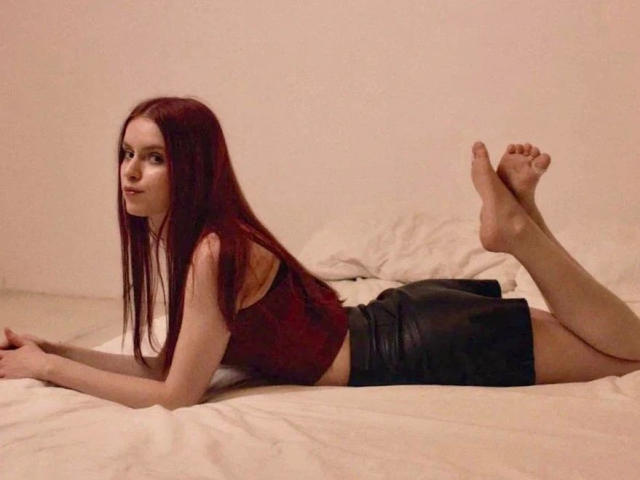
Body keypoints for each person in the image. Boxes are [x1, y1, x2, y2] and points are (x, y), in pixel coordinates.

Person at [1, 97, 640, 410]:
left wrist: (47, 370)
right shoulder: (204, 242)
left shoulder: (215, 252)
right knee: (611, 339)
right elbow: (170, 368)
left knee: (632, 349)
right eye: (126, 153)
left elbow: (175, 396)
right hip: (407, 322)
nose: (131, 172)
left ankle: (520, 232)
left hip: (415, 345)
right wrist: (51, 349)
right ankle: (521, 224)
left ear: (191, 166)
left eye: (154, 158)